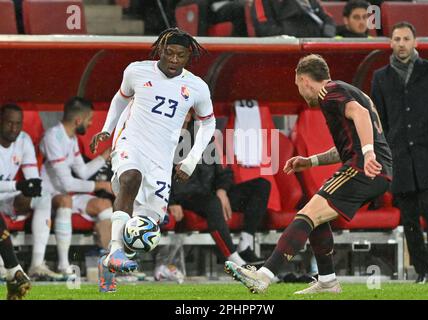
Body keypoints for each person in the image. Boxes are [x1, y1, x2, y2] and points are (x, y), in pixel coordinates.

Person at [224, 54, 393, 294]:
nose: (300, 93)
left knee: (306, 214)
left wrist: (368, 154)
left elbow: (361, 115)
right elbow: (347, 146)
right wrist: (310, 161)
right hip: (372, 168)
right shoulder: (348, 91)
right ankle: (327, 280)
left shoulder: (329, 91)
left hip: (363, 168)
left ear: (304, 80)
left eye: (298, 86)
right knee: (314, 214)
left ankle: (263, 275)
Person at [90, 27, 216, 293]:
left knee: (146, 227)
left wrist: (192, 160)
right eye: (168, 53)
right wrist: (107, 128)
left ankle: (109, 264)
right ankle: (113, 251)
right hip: (130, 143)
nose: (173, 59)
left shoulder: (197, 87)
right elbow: (120, 98)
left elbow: (208, 124)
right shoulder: (136, 70)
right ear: (160, 50)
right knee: (130, 178)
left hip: (161, 159)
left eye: (179, 55)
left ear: (188, 56)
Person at [371, 22, 428, 283]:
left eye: (406, 38)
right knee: (409, 219)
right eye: (397, 39)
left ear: (415, 42)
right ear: (391, 43)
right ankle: (422, 269)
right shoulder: (380, 77)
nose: (402, 43)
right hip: (400, 159)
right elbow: (378, 119)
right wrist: (388, 148)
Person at [169, 111, 269, 266]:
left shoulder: (202, 136)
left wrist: (222, 189)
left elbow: (224, 172)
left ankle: (246, 243)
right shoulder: (164, 138)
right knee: (212, 202)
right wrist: (171, 201)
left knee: (261, 185)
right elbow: (156, 175)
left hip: (211, 192)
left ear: (189, 116)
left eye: (185, 112)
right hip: (185, 196)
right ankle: (234, 260)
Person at [40, 97, 114, 278]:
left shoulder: (71, 139)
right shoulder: (53, 136)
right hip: (45, 197)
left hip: (66, 193)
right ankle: (64, 266)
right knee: (65, 200)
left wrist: (104, 156)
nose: (90, 125)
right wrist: (102, 184)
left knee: (104, 204)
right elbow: (66, 183)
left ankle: (110, 265)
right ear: (78, 120)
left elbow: (81, 172)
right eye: (89, 120)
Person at [0, 103, 65, 283]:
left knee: (43, 198)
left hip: (8, 199)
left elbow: (31, 180)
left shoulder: (23, 139)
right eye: (9, 123)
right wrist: (19, 185)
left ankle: (37, 265)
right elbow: (20, 185)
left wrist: (33, 187)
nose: (14, 128)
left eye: (18, 123)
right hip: (8, 193)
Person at [251, 0, 336, 38]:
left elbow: (328, 20)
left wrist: (326, 37)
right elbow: (264, 28)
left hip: (317, 45)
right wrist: (293, 34)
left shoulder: (309, 1)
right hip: (288, 48)